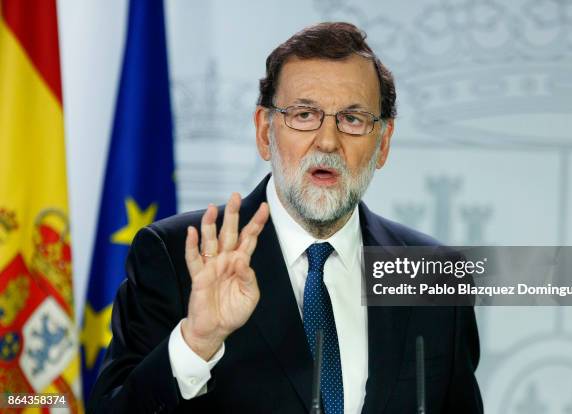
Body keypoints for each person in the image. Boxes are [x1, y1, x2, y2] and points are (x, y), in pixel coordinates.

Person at [88, 22, 483, 413]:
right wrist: (194, 345)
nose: (328, 141)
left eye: (353, 119)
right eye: (304, 115)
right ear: (264, 132)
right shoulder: (177, 256)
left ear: (383, 143)